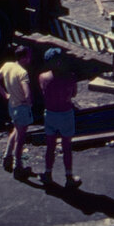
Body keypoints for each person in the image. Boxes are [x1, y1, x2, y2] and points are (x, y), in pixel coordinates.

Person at [37, 47, 81, 189]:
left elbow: (43, 93)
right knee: (66, 146)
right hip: (65, 113)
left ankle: (48, 174)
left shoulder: (42, 77)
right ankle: (69, 177)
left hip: (50, 113)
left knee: (50, 146)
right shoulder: (70, 77)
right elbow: (73, 94)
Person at [0, 44, 33, 178]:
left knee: (16, 130)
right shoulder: (22, 73)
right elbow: (27, 94)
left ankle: (7, 157)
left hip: (12, 105)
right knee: (21, 138)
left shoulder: (7, 65)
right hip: (21, 108)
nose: (30, 58)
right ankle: (17, 166)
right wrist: (29, 103)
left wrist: (5, 95)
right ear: (24, 58)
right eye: (29, 56)